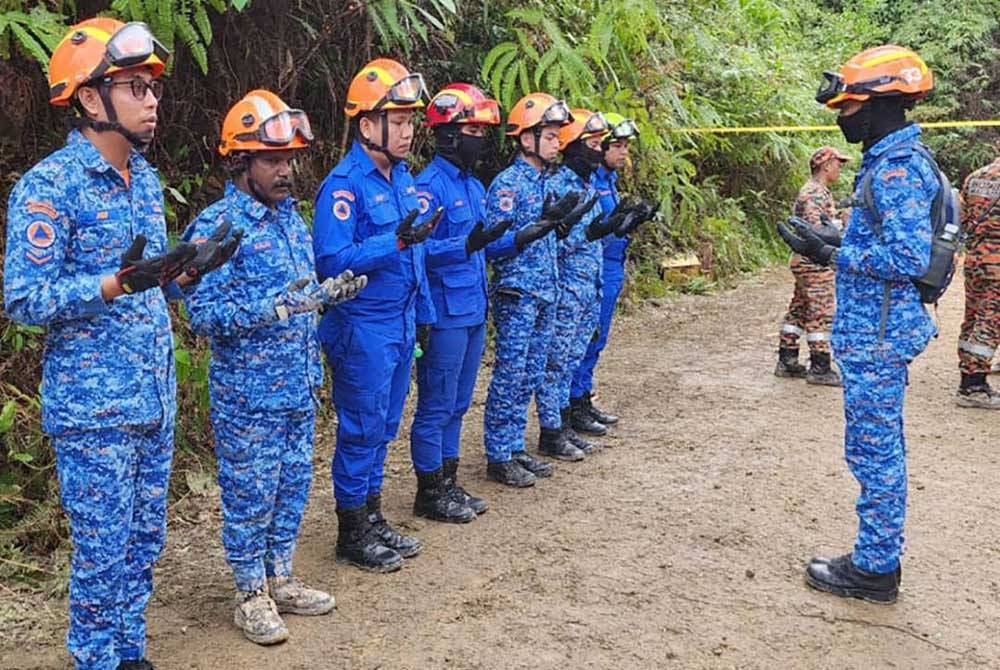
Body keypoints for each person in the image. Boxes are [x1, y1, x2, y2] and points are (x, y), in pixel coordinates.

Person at [3, 19, 235, 670]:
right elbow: (22, 298)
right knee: (103, 553)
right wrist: (109, 284)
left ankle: (129, 653)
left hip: (152, 400)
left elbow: (151, 287)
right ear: (88, 99)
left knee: (142, 543)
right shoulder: (50, 188)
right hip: (93, 412)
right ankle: (95, 660)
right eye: (135, 87)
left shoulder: (148, 180)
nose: (152, 100)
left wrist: (183, 274)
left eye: (152, 89)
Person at [183, 90, 365, 644]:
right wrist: (273, 308)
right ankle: (248, 593)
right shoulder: (217, 228)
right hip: (248, 396)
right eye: (271, 160)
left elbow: (301, 294)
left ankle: (280, 577)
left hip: (298, 385)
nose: (285, 171)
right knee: (251, 495)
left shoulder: (291, 220)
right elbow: (202, 312)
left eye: (288, 160)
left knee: (291, 487)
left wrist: (324, 294)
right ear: (241, 162)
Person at [780, 45, 938, 604]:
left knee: (875, 452)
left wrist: (833, 256)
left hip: (878, 336)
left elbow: (907, 258)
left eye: (848, 108)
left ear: (878, 105)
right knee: (877, 448)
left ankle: (874, 568)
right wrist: (837, 239)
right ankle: (877, 559)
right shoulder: (888, 161)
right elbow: (883, 242)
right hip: (876, 332)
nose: (842, 117)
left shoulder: (895, 169)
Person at [312, 58, 439, 572]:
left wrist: (424, 311)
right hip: (361, 325)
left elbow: (418, 255)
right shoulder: (344, 187)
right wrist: (396, 239)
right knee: (361, 427)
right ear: (368, 126)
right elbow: (332, 261)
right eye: (399, 122)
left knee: (386, 424)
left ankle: (372, 513)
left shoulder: (403, 180)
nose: (408, 132)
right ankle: (351, 529)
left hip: (401, 321)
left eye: (411, 122)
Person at [410, 83, 551, 521]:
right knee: (436, 403)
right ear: (448, 133)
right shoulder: (427, 187)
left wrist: (520, 236)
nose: (480, 139)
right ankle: (429, 489)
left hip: (474, 306)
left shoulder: (472, 187)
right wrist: (462, 244)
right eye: (472, 129)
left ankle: (449, 481)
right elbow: (415, 249)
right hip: (446, 311)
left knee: (459, 402)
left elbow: (485, 245)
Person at [481, 92, 594, 487]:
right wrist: (525, 235)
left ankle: (515, 446)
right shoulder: (508, 185)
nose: (556, 142)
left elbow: (556, 240)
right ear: (525, 138)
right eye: (548, 135)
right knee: (511, 374)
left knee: (530, 373)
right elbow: (491, 245)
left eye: (557, 135)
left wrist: (560, 228)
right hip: (518, 292)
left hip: (547, 289)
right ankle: (499, 452)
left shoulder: (548, 183)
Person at [536, 108, 634, 460]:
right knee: (556, 361)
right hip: (565, 286)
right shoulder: (557, 184)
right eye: (592, 144)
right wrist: (595, 230)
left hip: (589, 283)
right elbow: (554, 241)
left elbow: (591, 235)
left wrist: (614, 227)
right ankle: (552, 429)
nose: (599, 150)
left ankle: (563, 421)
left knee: (573, 355)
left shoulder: (586, 184)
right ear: (573, 146)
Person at [569, 112, 655, 434]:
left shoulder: (609, 182)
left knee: (597, 339)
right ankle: (572, 402)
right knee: (584, 338)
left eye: (625, 147)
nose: (623, 153)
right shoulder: (589, 182)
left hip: (612, 266)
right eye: (616, 146)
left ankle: (582, 397)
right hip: (594, 268)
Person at [775, 145, 850, 386]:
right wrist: (841, 227)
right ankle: (820, 366)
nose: (839, 168)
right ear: (826, 165)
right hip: (813, 262)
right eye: (837, 163)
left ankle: (787, 359)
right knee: (821, 312)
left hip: (805, 261)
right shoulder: (815, 193)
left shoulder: (818, 191)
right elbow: (815, 232)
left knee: (799, 309)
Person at [955, 147, 1000, 408]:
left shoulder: (975, 178)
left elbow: (961, 220)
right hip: (997, 265)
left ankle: (967, 369)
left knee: (972, 316)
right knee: (990, 320)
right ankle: (973, 385)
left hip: (974, 260)